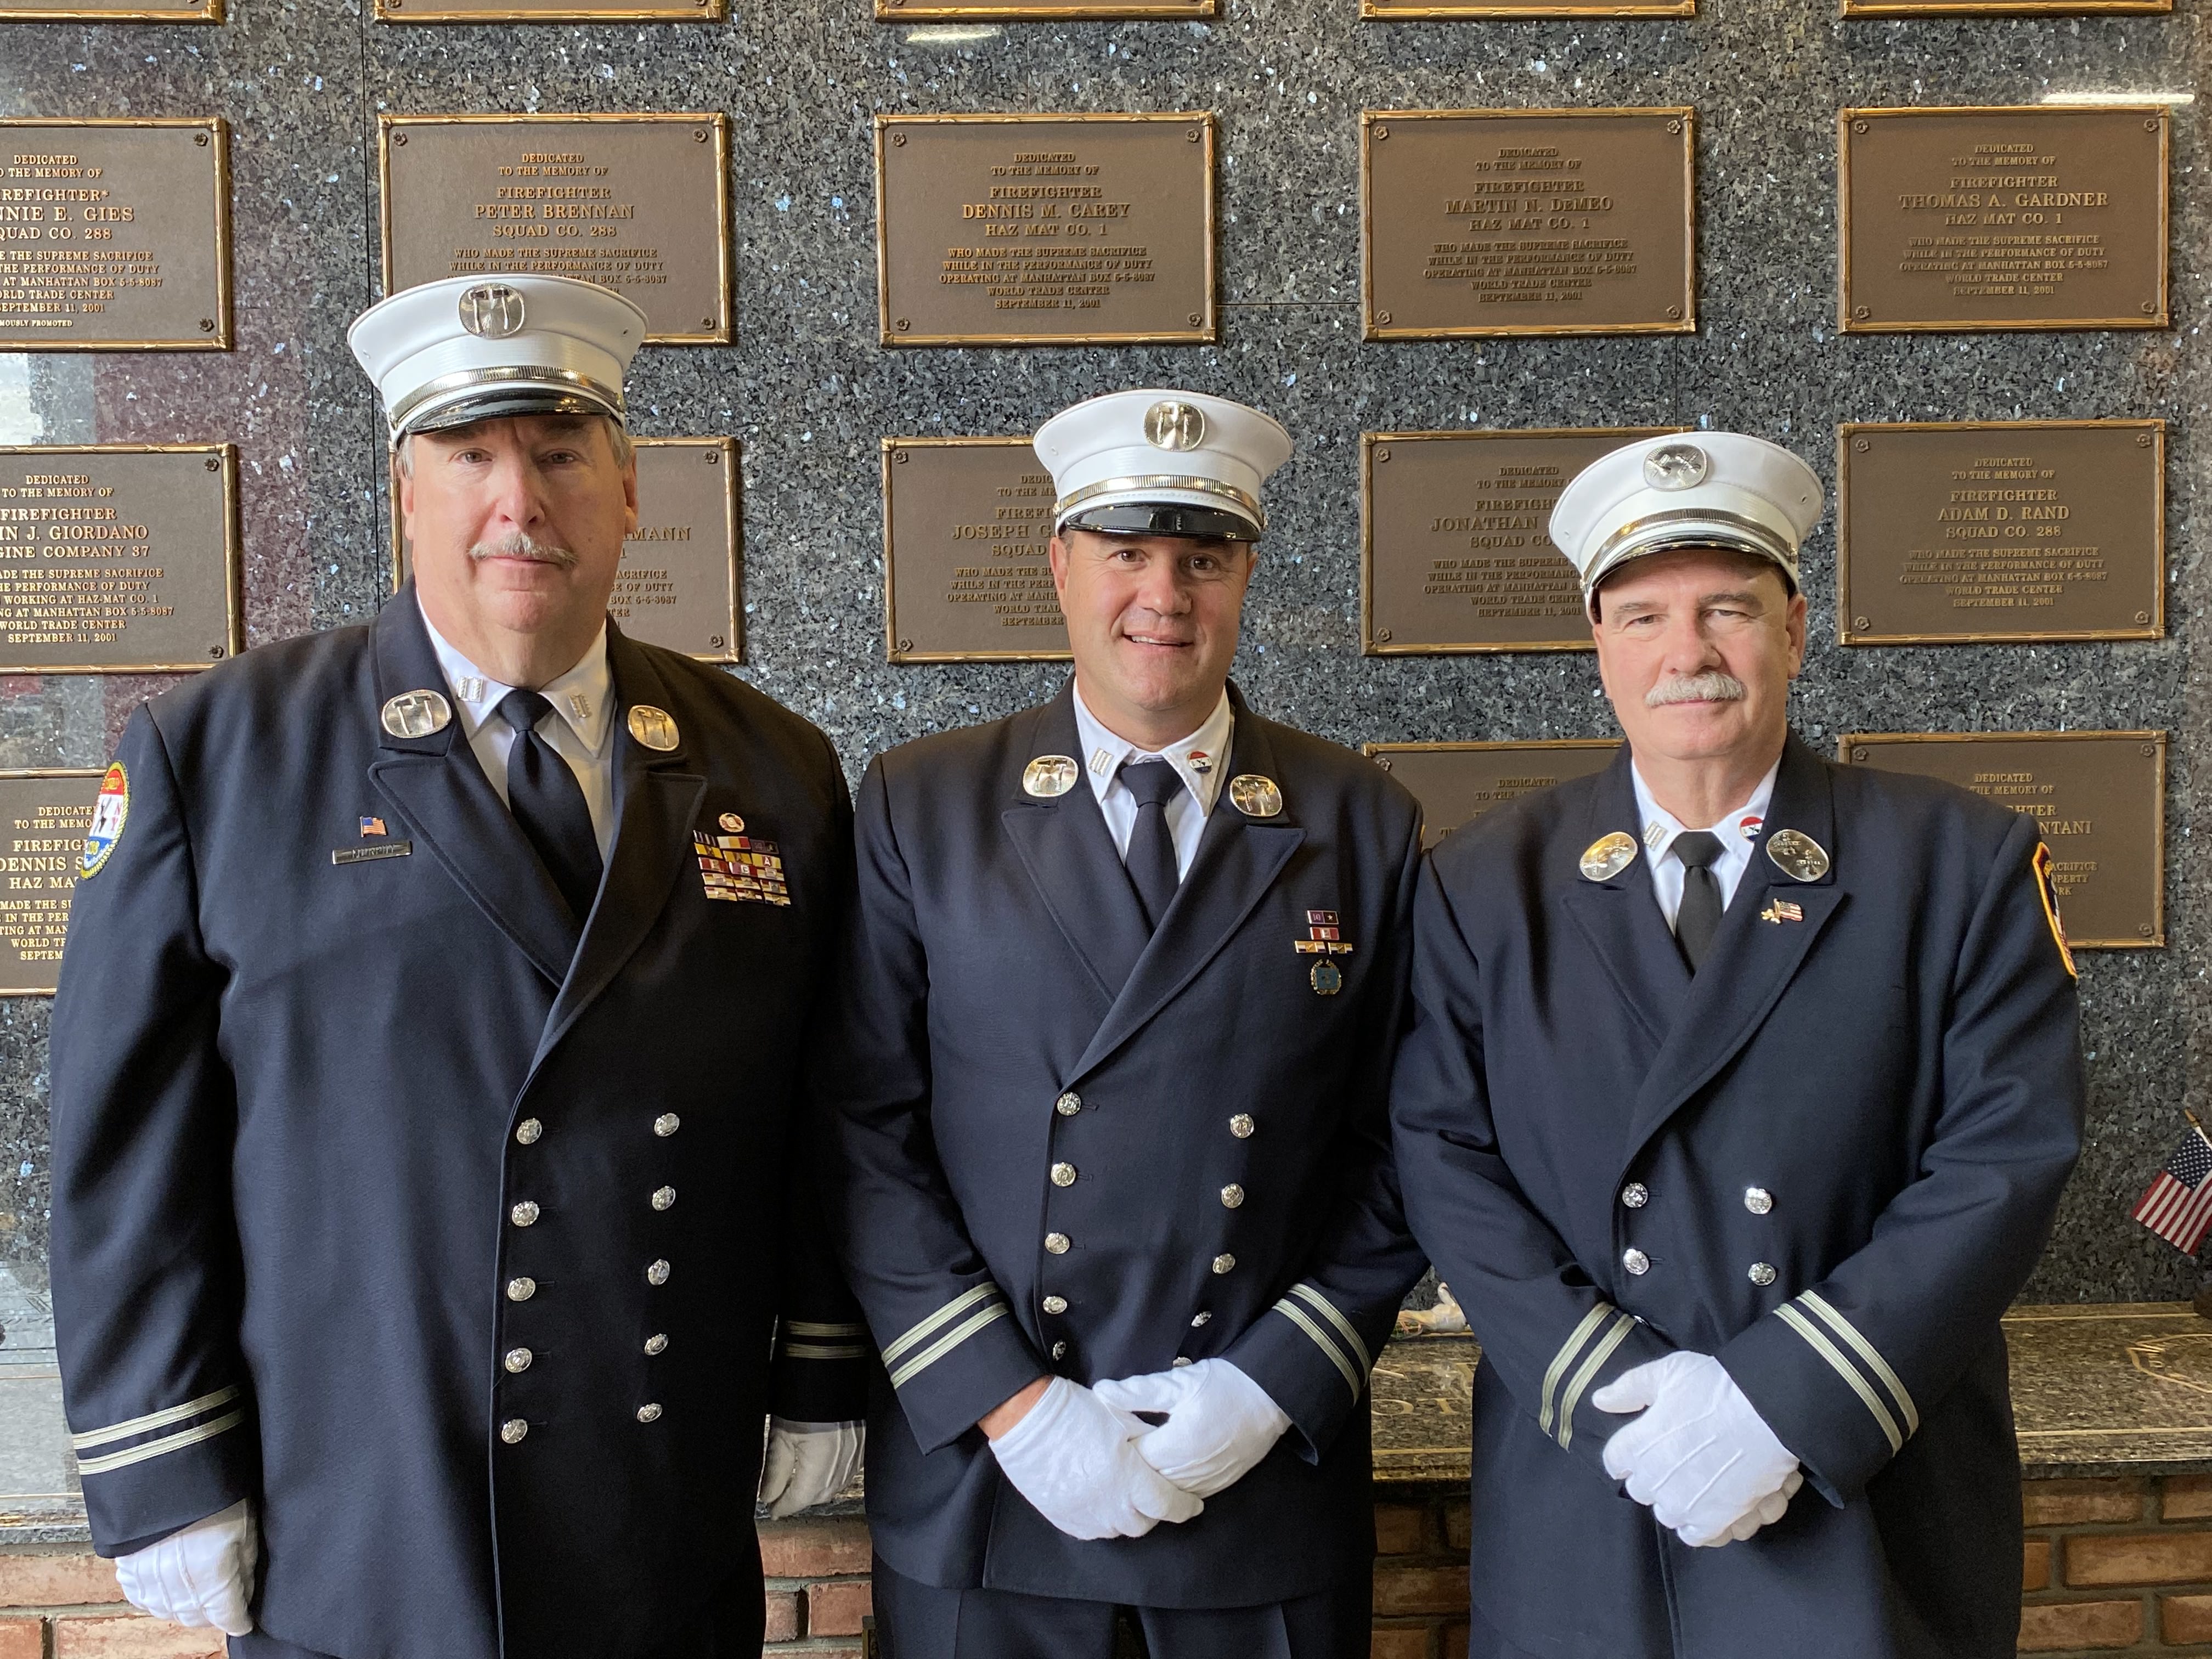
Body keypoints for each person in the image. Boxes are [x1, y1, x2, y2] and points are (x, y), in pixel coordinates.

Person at [48, 273, 866, 1659]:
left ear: (627, 492)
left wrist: (820, 1364)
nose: (519, 503)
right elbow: (123, 1141)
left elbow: (825, 1107)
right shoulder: (223, 756)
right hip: (358, 1512)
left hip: (656, 1512)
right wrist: (158, 1461)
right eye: (471, 457)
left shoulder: (768, 763)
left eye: (557, 455)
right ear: (406, 493)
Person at [1389, 431, 2085, 1659]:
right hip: (1592, 1479)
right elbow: (1443, 1153)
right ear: (1597, 642)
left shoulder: (1957, 867)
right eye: (1646, 615)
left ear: (1797, 628)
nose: (1688, 654)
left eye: (1729, 610)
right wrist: (1617, 1396)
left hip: (1857, 1484)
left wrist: (1779, 1402)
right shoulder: (1486, 887)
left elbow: (2005, 1158)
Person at [818, 389, 1428, 1657]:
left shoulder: (1358, 820)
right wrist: (1012, 1406)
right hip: (992, 1488)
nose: (1165, 596)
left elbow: (1410, 1140)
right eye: (1127, 554)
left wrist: (1272, 1386)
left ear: (1245, 573)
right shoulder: (923, 807)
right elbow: (860, 1133)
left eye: (1202, 558)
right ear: (1059, 564)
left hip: (1255, 1484)